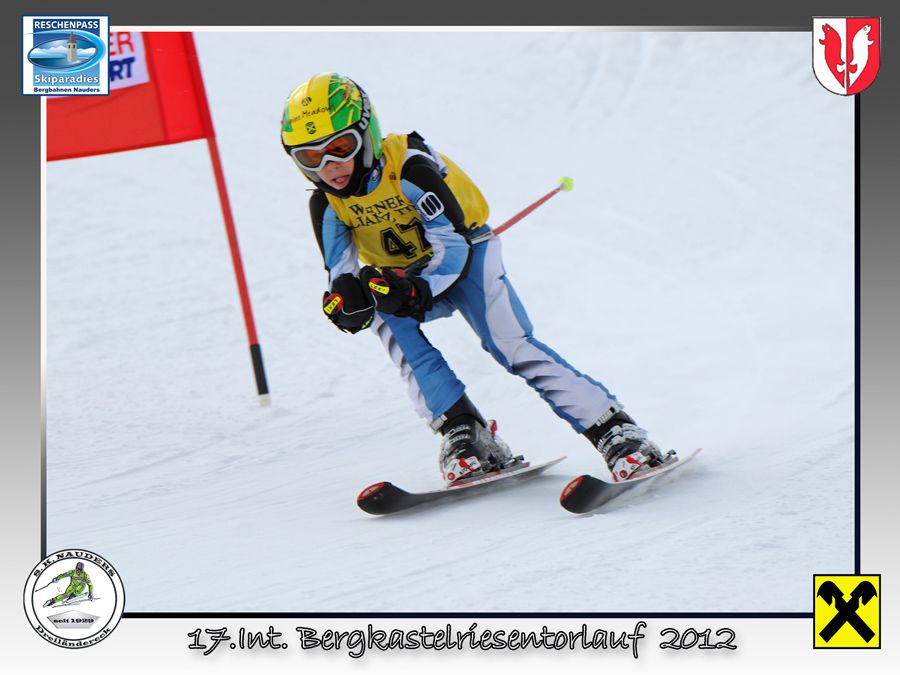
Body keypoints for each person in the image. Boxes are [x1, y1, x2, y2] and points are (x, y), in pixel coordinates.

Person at [281, 72, 668, 486]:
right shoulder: (327, 203)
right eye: (310, 157)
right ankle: (463, 429)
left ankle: (614, 429)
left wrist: (420, 290)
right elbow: (340, 273)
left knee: (508, 343)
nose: (329, 166)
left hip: (466, 256)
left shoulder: (409, 167)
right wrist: (347, 305)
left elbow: (452, 244)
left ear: (367, 134)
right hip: (404, 279)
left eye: (340, 148)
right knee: (384, 316)